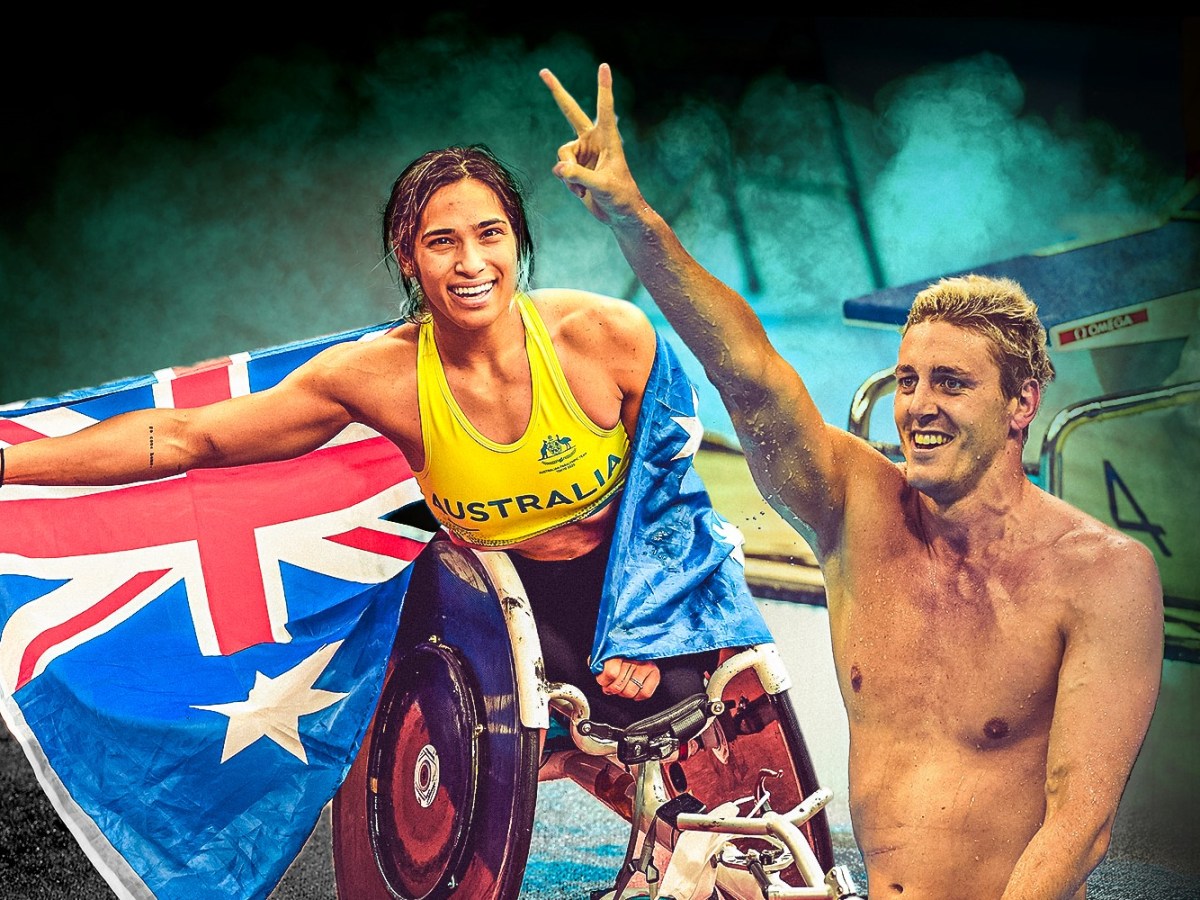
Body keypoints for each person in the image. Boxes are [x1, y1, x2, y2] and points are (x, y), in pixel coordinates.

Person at [539, 63, 1164, 899]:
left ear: (1024, 402)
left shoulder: (1104, 575)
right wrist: (634, 217)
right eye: (907, 381)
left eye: (951, 383)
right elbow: (749, 375)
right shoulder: (855, 510)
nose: (918, 408)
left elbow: (1079, 829)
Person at [0, 142, 760, 730]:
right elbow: (188, 438)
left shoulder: (604, 336)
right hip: (509, 594)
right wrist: (10, 464)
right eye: (441, 243)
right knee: (571, 703)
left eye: (490, 234)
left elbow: (670, 499)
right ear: (408, 257)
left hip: (639, 578)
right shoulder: (379, 378)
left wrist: (646, 624)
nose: (472, 264)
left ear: (516, 241)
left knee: (687, 688)